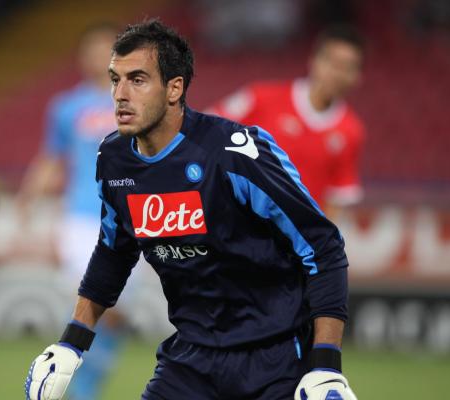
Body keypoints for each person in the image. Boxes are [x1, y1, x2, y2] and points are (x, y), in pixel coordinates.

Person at [25, 20, 357, 400]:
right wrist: (72, 342)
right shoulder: (113, 158)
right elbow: (115, 250)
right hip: (191, 358)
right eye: (115, 79)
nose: (119, 94)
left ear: (174, 88)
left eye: (137, 80)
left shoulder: (234, 153)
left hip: (275, 358)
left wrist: (326, 365)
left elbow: (324, 246)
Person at [16, 23, 134, 400]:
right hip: (82, 218)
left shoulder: (137, 102)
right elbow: (52, 157)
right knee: (91, 304)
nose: (98, 57)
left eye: (105, 50)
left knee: (115, 313)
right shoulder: (66, 107)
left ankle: (89, 380)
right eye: (91, 50)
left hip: (132, 220)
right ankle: (83, 391)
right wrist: (28, 198)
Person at [207, 25, 365, 215]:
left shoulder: (350, 131)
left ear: (357, 76)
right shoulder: (261, 98)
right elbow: (204, 129)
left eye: (348, 67)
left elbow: (335, 199)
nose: (338, 74)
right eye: (333, 63)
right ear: (314, 61)